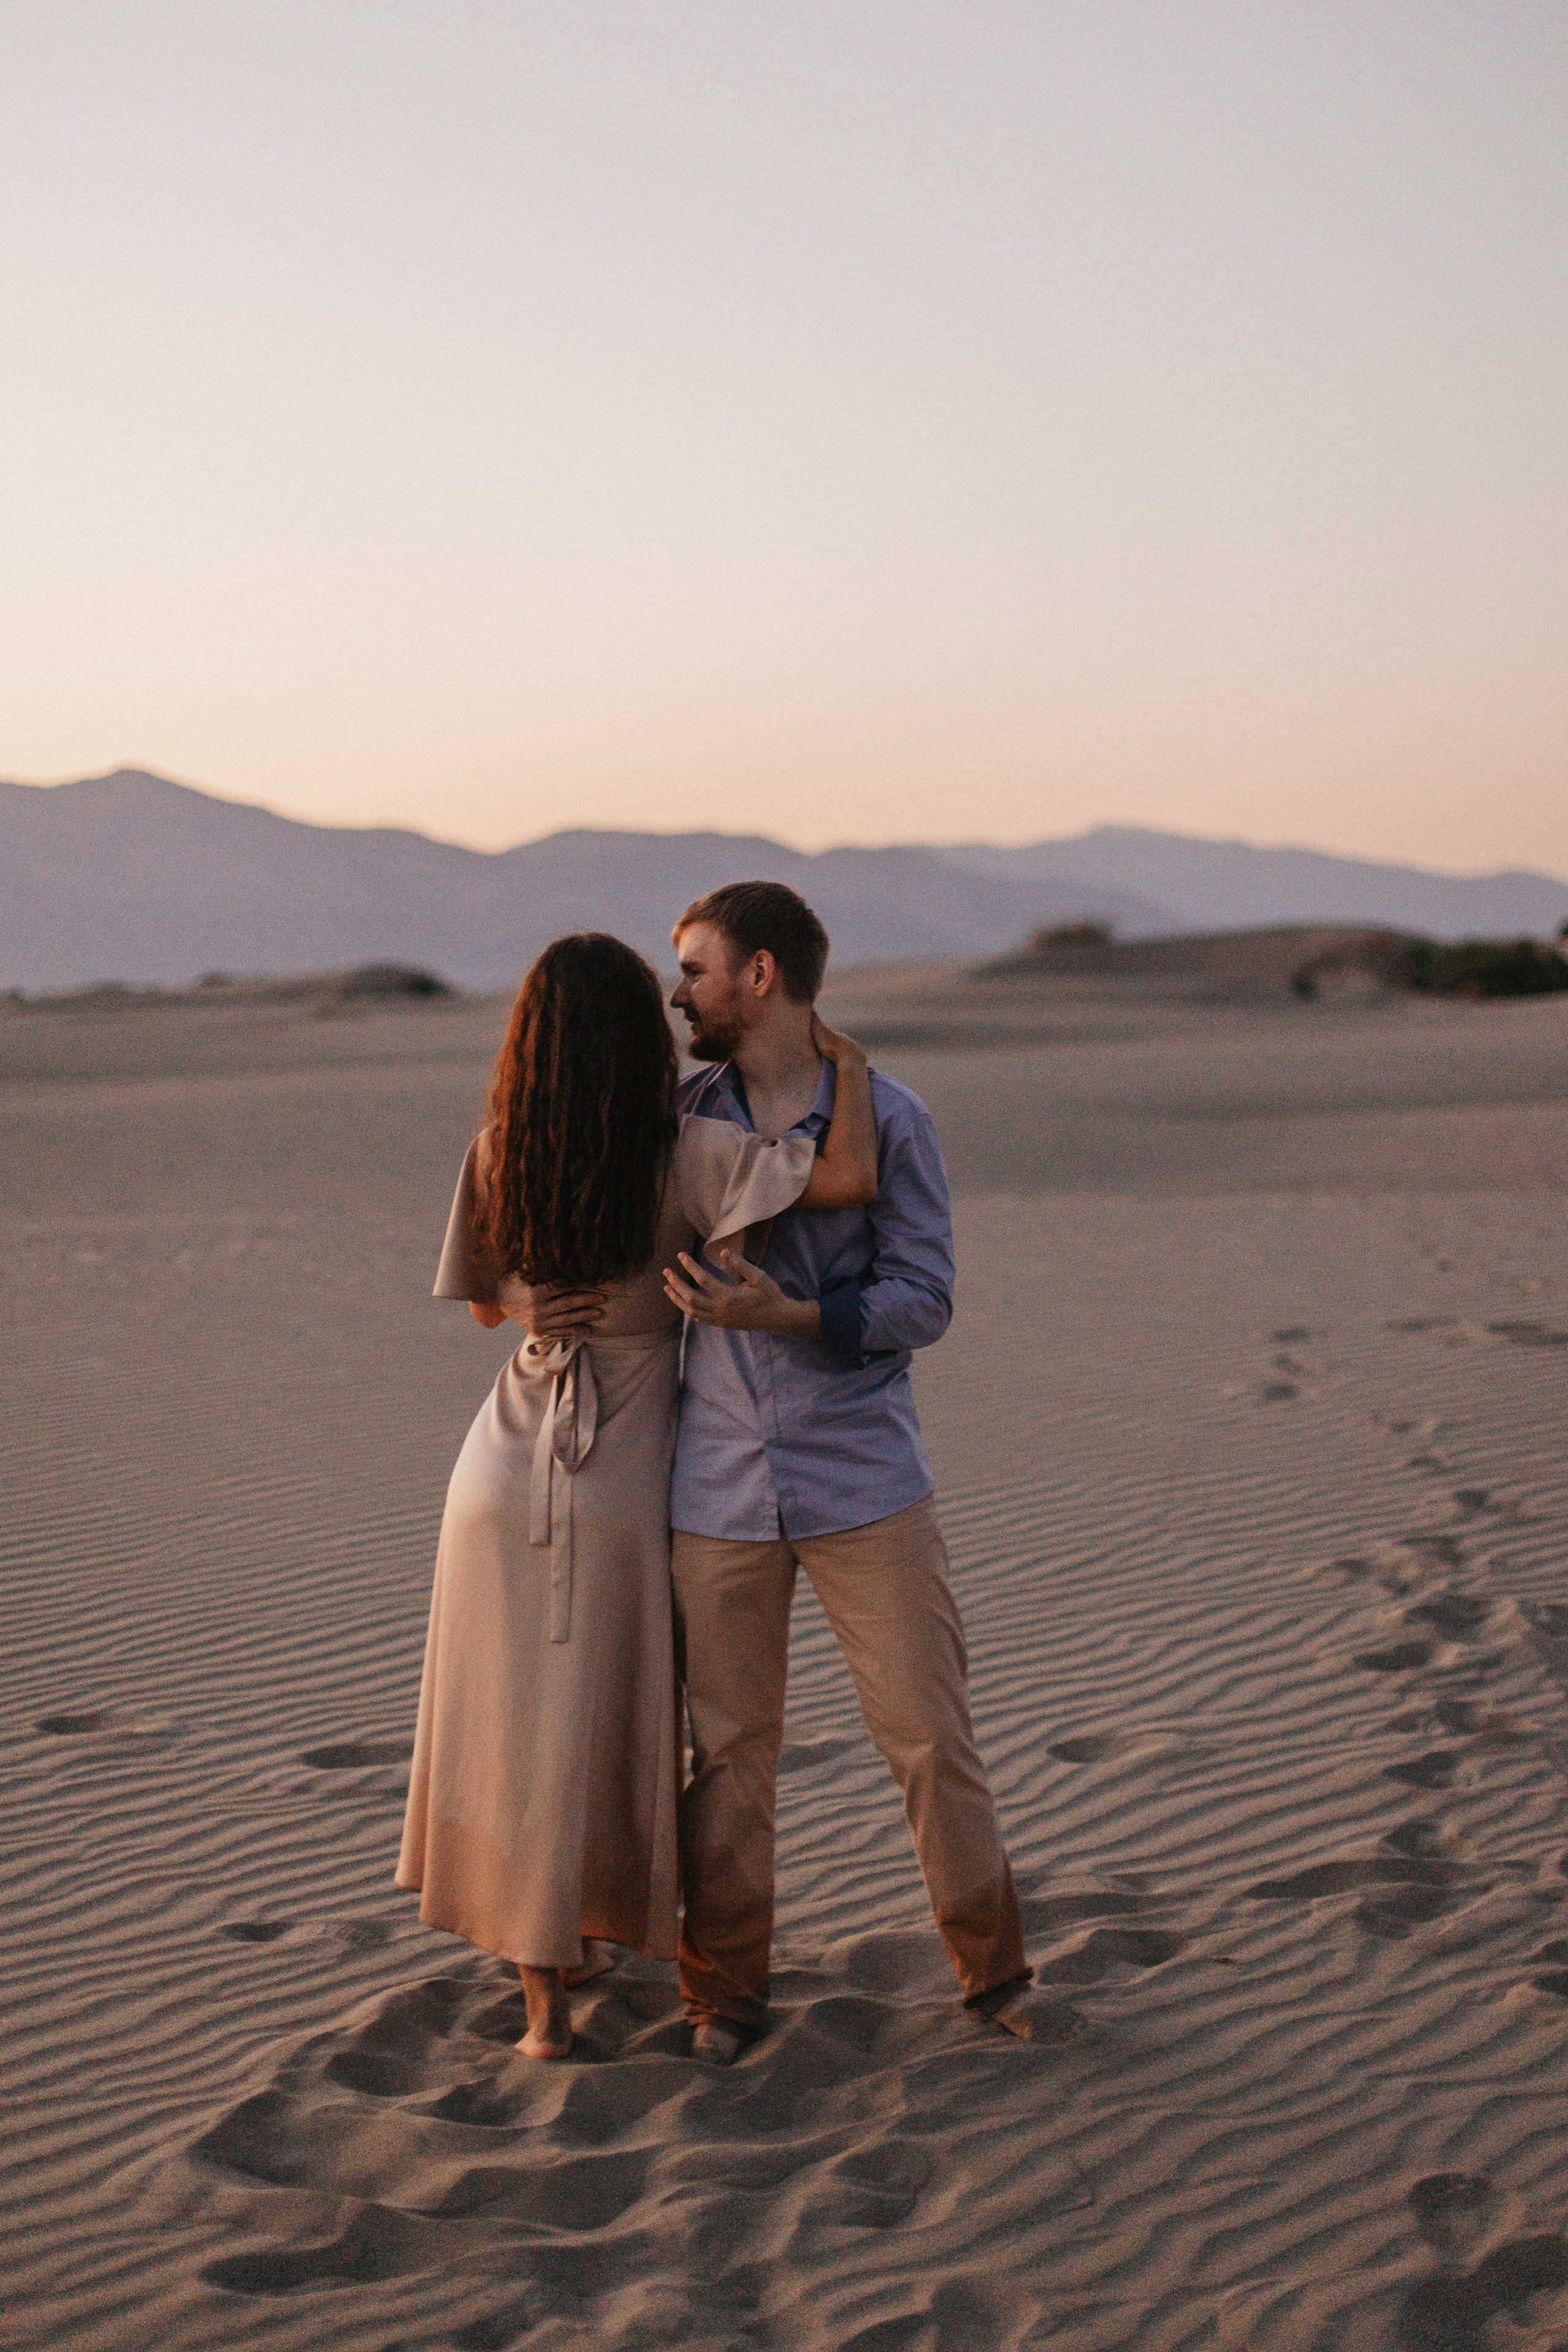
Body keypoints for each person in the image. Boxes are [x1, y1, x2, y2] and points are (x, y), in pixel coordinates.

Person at [396, 932, 878, 2060]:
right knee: (592, 1726)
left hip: (499, 1462)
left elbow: (480, 1304)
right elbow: (845, 1180)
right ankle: (595, 1934)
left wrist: (531, 1302)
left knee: (517, 1725)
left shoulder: (497, 1147)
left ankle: (544, 2011)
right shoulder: (692, 1151)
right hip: (622, 1467)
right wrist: (842, 1065)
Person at [660, 881, 1065, 2062]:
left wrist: (795, 1314)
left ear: (762, 975)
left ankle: (993, 1979)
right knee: (728, 1754)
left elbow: (925, 1298)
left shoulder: (894, 1117)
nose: (679, 989)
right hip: (715, 1486)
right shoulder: (680, 1116)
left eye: (694, 968)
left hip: (865, 1481)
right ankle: (722, 1998)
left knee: (930, 1738)